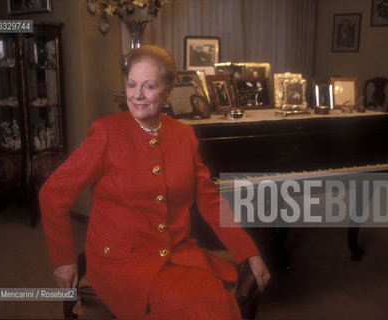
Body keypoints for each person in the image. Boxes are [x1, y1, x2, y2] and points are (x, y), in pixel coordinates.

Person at [39, 45, 270, 320]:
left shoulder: (184, 136)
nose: (137, 95)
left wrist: (248, 252)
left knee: (217, 306)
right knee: (194, 310)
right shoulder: (106, 133)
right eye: (131, 84)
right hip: (121, 262)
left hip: (176, 255)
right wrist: (64, 259)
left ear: (168, 91)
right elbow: (53, 194)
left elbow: (210, 201)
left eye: (148, 86)